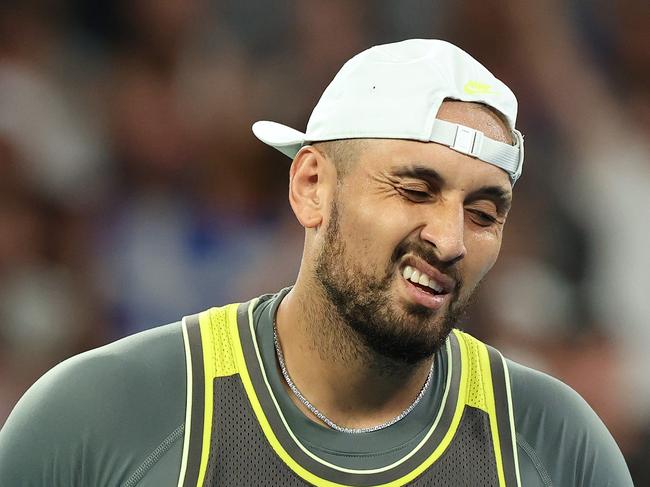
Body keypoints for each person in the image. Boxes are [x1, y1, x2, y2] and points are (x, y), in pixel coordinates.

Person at [0, 39, 632, 487]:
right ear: (310, 186)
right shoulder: (104, 416)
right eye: (415, 190)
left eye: (484, 211)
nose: (450, 238)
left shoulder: (557, 446)